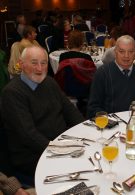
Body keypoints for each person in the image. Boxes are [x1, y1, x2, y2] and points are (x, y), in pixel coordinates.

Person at [1, 46, 84, 179]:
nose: (39, 69)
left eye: (43, 63)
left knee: (92, 156)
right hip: (33, 155)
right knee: (80, 171)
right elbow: (28, 135)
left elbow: (70, 111)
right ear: (22, 64)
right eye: (34, 63)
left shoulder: (49, 82)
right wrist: (59, 150)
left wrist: (85, 130)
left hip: (60, 143)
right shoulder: (12, 93)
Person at [87, 35, 135, 117]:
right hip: (110, 125)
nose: (126, 55)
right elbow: (93, 108)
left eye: (131, 51)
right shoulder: (102, 74)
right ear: (115, 52)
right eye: (122, 51)